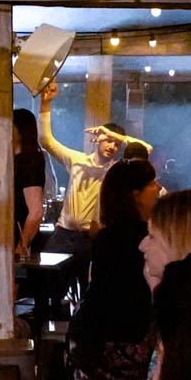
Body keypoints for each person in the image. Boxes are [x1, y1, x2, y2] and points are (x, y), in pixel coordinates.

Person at [67, 158, 162, 380]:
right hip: (122, 340)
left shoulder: (106, 236)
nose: (159, 188)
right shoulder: (147, 239)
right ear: (136, 194)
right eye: (152, 184)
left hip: (92, 338)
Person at [39, 83, 149, 253]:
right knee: (48, 269)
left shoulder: (115, 171)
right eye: (109, 141)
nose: (112, 146)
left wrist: (113, 134)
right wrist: (45, 104)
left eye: (117, 144)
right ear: (98, 140)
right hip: (63, 233)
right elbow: (46, 140)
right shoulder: (78, 160)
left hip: (90, 237)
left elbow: (146, 149)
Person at [12, 108, 48, 258]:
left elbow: (36, 211)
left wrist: (21, 247)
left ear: (20, 131)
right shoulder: (14, 160)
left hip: (19, 240)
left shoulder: (28, 163)